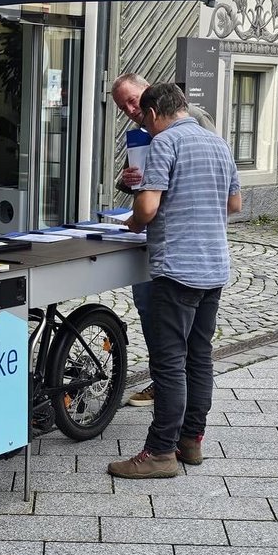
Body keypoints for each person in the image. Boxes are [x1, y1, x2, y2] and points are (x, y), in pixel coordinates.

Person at [108, 83, 241, 479]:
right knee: (199, 357)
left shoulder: (164, 142)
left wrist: (133, 222)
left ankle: (160, 452)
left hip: (177, 268)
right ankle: (191, 441)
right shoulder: (218, 144)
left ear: (152, 114)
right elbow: (234, 204)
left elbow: (147, 208)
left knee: (168, 364)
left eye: (143, 119)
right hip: (213, 268)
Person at [109, 72, 216, 408]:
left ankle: (170, 399)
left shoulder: (189, 121)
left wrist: (137, 218)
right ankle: (178, 404)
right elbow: (138, 183)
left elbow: (209, 175)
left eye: (132, 101)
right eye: (123, 107)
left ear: (147, 93)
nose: (130, 110)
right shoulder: (141, 131)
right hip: (161, 240)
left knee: (186, 342)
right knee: (149, 309)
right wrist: (128, 180)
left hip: (181, 245)